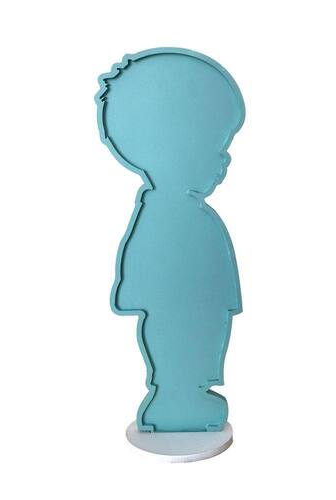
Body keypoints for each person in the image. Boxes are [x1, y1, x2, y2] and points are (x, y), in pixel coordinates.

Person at [96, 48, 245, 431]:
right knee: (174, 351)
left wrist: (221, 301)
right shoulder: (159, 215)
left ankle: (189, 394)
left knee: (200, 346)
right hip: (171, 310)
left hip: (199, 309)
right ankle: (174, 398)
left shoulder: (193, 216)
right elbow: (142, 263)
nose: (224, 161)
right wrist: (138, 291)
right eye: (217, 149)